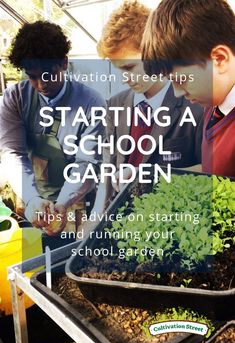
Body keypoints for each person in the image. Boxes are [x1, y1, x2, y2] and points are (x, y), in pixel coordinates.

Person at [0, 21, 105, 236]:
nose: (41, 84)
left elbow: (87, 162)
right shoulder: (15, 98)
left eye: (48, 73)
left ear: (64, 63)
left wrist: (63, 203)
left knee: (68, 258)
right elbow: (13, 153)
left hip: (76, 200)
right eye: (32, 76)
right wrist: (31, 200)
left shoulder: (91, 102)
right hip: (31, 195)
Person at [96, 0, 203, 203]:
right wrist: (96, 217)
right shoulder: (114, 105)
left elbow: (209, 169)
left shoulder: (195, 104)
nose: (124, 78)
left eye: (129, 67)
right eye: (119, 70)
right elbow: (108, 168)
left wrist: (146, 176)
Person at [142, 0, 235, 178]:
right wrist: (152, 176)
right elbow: (214, 174)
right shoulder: (211, 105)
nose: (178, 93)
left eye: (181, 79)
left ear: (219, 60)